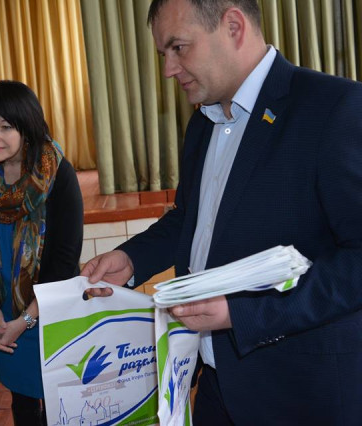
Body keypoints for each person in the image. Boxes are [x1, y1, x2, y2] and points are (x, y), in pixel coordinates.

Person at [81, 0, 362, 424]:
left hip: (300, 393)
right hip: (214, 383)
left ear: (233, 26)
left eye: (178, 48)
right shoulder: (202, 122)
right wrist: (132, 258)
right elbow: (191, 219)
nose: (168, 69)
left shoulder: (334, 108)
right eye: (163, 54)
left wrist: (243, 314)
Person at [0, 80, 83, 425]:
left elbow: (65, 260)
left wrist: (26, 321)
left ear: (27, 127)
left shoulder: (56, 171)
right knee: (22, 401)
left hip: (48, 307)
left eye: (5, 126)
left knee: (59, 404)